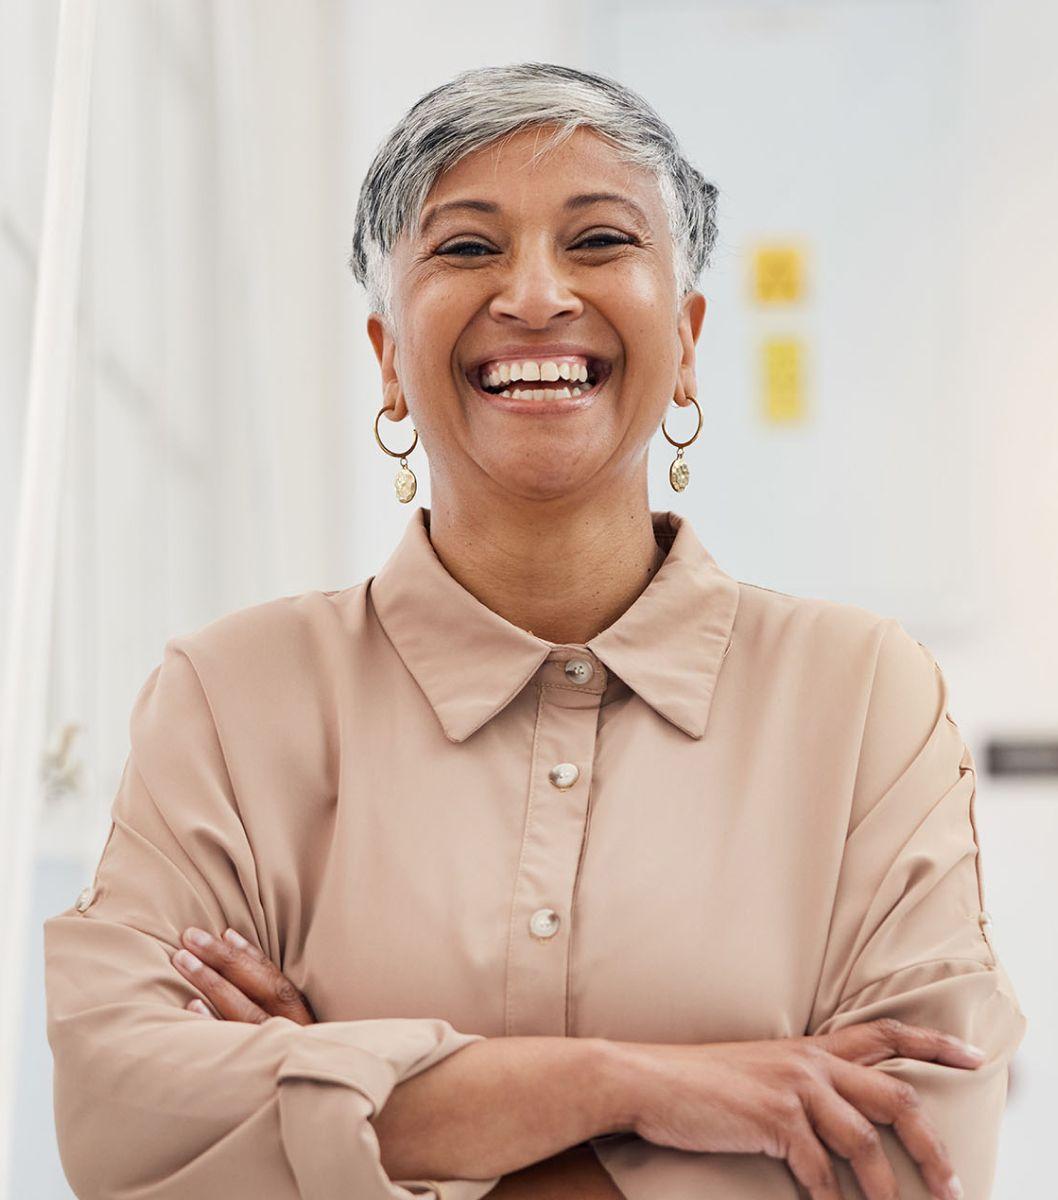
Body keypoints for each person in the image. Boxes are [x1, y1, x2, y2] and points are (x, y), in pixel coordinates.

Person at [43, 61, 1026, 1200]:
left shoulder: (864, 695)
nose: (535, 296)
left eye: (600, 241)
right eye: (465, 249)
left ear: (689, 340)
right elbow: (121, 1119)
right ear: (387, 362)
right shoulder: (228, 697)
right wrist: (638, 1088)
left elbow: (915, 1151)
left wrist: (346, 1104)